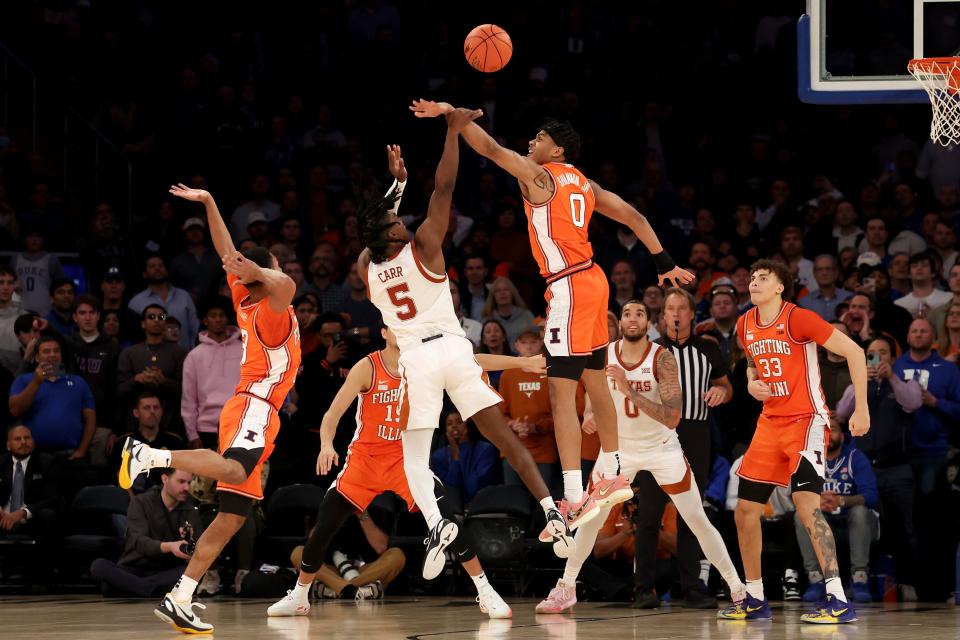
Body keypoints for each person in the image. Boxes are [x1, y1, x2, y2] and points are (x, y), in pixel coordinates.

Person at [411, 99, 693, 528]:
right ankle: (614, 473)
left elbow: (490, 150)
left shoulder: (541, 177)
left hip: (569, 285)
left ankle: (576, 495)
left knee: (561, 392)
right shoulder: (583, 182)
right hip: (593, 280)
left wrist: (457, 118)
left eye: (540, 138)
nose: (531, 142)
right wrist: (664, 261)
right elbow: (634, 216)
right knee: (596, 377)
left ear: (557, 150)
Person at [355, 117, 572, 580]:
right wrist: (452, 131)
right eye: (397, 220)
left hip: (417, 362)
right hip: (455, 352)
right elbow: (445, 187)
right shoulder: (425, 248)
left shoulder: (367, 271)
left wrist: (395, 190)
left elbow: (370, 237)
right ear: (393, 234)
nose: (403, 221)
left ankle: (437, 526)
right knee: (505, 440)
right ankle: (553, 512)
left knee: (413, 456)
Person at [119, 183, 300, 634]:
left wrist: (210, 203)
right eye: (274, 263)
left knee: (233, 516)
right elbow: (287, 282)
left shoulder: (244, 294)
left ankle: (180, 596)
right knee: (234, 472)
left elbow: (226, 252)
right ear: (268, 269)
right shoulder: (272, 307)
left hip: (258, 411)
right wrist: (260, 265)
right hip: (254, 405)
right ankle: (149, 455)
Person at [267, 327, 545, 618]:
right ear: (384, 331)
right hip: (366, 460)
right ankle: (299, 596)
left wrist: (521, 362)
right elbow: (332, 414)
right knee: (324, 526)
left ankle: (486, 592)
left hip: (406, 460)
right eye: (397, 327)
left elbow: (473, 360)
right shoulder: (368, 366)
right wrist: (326, 444)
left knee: (448, 522)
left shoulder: (427, 363)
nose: (404, 333)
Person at [535, 301, 746, 614]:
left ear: (650, 323)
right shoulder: (603, 353)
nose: (632, 319)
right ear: (620, 322)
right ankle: (566, 588)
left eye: (639, 314)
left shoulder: (663, 358)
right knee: (590, 518)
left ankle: (738, 589)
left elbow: (673, 417)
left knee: (696, 519)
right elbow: (595, 397)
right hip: (617, 450)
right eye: (627, 314)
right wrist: (590, 415)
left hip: (661, 447)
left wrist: (629, 389)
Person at [718, 259, 869, 624]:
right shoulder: (744, 323)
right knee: (745, 511)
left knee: (806, 507)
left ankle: (837, 597)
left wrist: (861, 408)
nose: (753, 282)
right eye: (751, 277)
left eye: (762, 278)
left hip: (806, 421)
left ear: (780, 287)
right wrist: (752, 382)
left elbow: (855, 352)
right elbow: (752, 362)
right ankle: (754, 597)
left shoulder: (798, 318)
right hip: (769, 423)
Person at [646, 288, 733, 608]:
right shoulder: (650, 351)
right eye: (671, 308)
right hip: (657, 433)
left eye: (683, 308)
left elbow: (726, 386)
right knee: (650, 513)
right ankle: (643, 588)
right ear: (663, 316)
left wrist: (721, 393)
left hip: (697, 431)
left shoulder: (708, 349)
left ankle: (691, 587)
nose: (677, 313)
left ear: (692, 313)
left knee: (692, 512)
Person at [835, 336, 921, 601]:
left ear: (892, 358)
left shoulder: (906, 384)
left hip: (896, 468)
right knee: (862, 524)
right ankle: (861, 581)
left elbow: (913, 403)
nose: (877, 358)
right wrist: (861, 383)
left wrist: (893, 378)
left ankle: (908, 582)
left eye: (882, 353)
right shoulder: (857, 386)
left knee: (903, 528)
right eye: (871, 354)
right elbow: (840, 413)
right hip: (863, 469)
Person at [794, 420, 879, 604]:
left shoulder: (855, 458)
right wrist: (817, 501)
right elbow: (798, 493)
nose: (828, 435)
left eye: (832, 430)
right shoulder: (810, 458)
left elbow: (872, 497)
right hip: (824, 522)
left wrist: (842, 500)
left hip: (854, 523)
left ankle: (859, 579)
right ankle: (816, 579)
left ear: (841, 435)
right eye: (823, 431)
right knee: (801, 515)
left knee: (860, 512)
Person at [90, 469, 202, 597]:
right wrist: (170, 546)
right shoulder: (140, 502)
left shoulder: (191, 509)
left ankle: (135, 587)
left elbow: (196, 550)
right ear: (165, 479)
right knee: (98, 565)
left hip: (166, 571)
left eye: (189, 482)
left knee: (193, 573)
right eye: (181, 482)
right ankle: (154, 590)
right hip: (135, 568)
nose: (186, 487)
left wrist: (190, 541)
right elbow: (140, 543)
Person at [892, 318, 960, 496]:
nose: (918, 334)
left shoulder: (949, 370)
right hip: (899, 452)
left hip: (934, 451)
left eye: (924, 331)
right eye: (914, 331)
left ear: (934, 337)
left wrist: (936, 402)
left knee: (930, 506)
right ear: (907, 337)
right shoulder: (895, 367)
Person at [9, 335, 96, 460]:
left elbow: (91, 419)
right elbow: (15, 410)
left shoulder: (78, 382)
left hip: (70, 455)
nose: (52, 355)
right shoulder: (23, 380)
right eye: (46, 351)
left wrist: (82, 450)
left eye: (56, 351)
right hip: (34, 456)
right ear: (37, 357)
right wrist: (36, 382)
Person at [497, 327, 558, 489]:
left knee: (544, 502)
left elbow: (561, 414)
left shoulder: (551, 372)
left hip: (544, 449)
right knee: (513, 501)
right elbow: (499, 414)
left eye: (533, 342)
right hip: (514, 448)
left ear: (541, 343)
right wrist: (512, 424)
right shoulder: (508, 374)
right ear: (516, 345)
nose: (529, 347)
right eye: (524, 343)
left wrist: (536, 427)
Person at [0, 425, 60, 585]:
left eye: (27, 438)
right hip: (2, 519)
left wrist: (22, 513)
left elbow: (52, 498)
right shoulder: (1, 462)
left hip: (32, 520)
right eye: (18, 439)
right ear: (8, 445)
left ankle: (37, 576)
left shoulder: (47, 463)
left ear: (33, 441)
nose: (23, 442)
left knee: (49, 515)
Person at [115, 304, 187, 436]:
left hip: (170, 426)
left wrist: (164, 381)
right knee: (132, 457)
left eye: (161, 317)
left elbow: (187, 391)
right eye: (151, 317)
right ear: (143, 324)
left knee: (169, 457)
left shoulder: (179, 353)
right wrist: (137, 379)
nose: (156, 320)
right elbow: (120, 390)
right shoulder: (129, 353)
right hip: (134, 427)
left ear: (165, 323)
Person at [181, 298, 242, 450]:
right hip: (206, 428)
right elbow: (189, 399)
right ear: (205, 320)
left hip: (239, 425)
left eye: (222, 315)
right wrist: (192, 434)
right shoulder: (194, 356)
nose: (218, 319)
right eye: (213, 316)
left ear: (228, 318)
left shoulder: (245, 350)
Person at [67, 295, 120, 463]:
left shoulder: (112, 347)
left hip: (102, 424)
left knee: (99, 472)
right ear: (75, 317)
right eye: (82, 313)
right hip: (72, 421)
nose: (87, 317)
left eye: (91, 312)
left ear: (98, 316)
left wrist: (115, 429)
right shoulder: (66, 345)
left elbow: (116, 390)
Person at [112, 392, 185, 493]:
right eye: (146, 408)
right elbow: (121, 478)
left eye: (156, 407)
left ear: (162, 411)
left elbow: (182, 476)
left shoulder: (175, 442)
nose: (152, 411)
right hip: (136, 501)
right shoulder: (125, 442)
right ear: (136, 413)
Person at [128, 255, 200, 349]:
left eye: (160, 265)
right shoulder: (136, 302)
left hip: (185, 355)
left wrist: (193, 351)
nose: (157, 268)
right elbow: (133, 334)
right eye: (152, 266)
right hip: (150, 358)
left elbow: (194, 327)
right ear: (145, 273)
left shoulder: (183, 296)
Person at [431, 410, 498, 504]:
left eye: (459, 422)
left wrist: (464, 446)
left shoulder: (485, 450)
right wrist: (455, 458)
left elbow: (472, 488)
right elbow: (452, 491)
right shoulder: (438, 456)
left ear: (468, 425)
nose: (454, 426)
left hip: (481, 504)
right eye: (449, 424)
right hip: (452, 508)